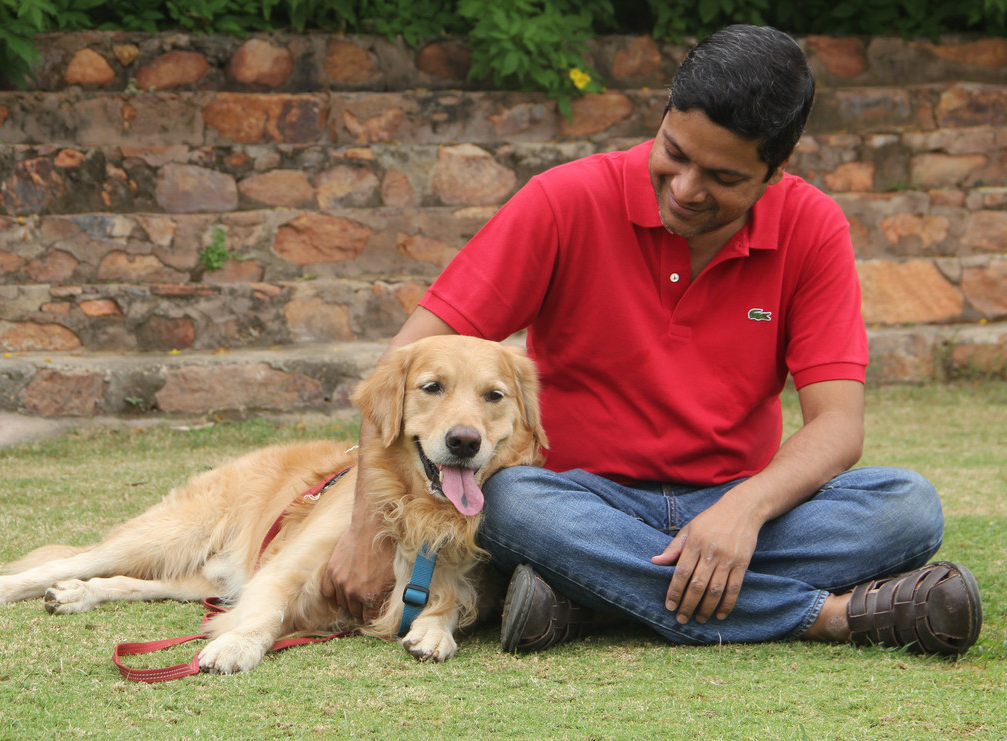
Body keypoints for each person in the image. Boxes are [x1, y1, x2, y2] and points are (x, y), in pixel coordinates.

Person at [321, 24, 982, 656]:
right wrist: (365, 532)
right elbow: (400, 367)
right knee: (508, 503)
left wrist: (744, 510)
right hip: (576, 498)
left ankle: (592, 599)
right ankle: (828, 618)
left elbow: (838, 426)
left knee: (907, 507)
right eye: (676, 154)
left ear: (777, 168)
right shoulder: (563, 200)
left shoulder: (814, 227)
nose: (687, 189)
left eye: (724, 178)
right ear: (664, 116)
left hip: (736, 497)